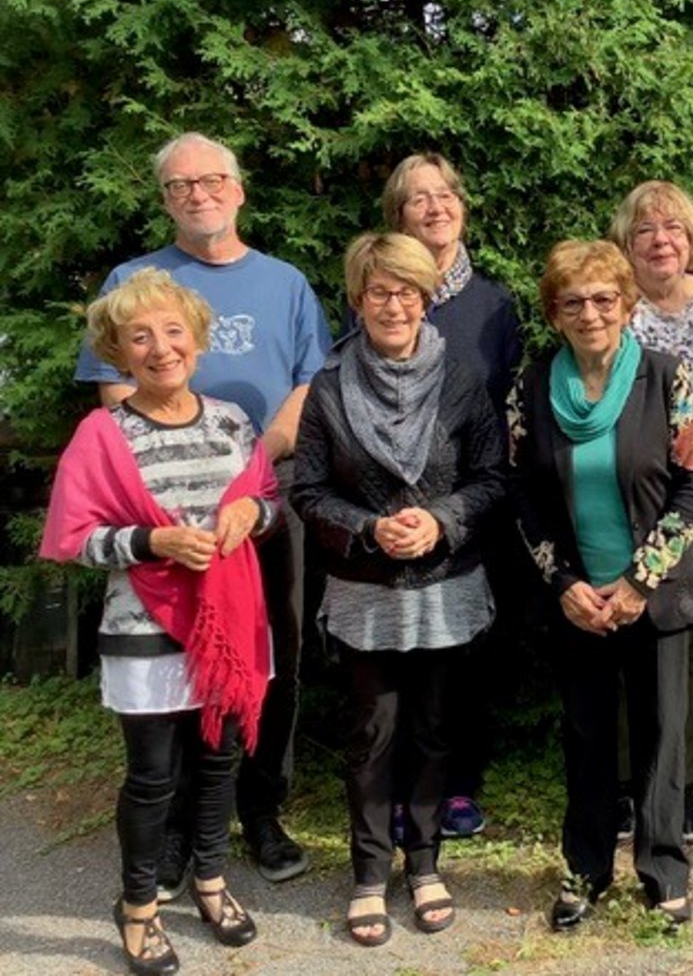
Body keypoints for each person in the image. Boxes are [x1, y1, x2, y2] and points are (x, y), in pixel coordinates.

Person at [74, 132, 332, 886]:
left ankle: (260, 810)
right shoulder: (136, 277)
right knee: (179, 672)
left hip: (259, 511)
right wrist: (171, 516)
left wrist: (254, 473)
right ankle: (183, 823)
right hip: (168, 525)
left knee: (267, 661)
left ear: (239, 189)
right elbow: (117, 396)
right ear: (165, 199)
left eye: (213, 179)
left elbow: (309, 382)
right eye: (181, 184)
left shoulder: (284, 283)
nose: (199, 193)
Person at [42, 268, 276, 976]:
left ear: (198, 341)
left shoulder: (234, 421)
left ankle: (209, 881)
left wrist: (253, 513)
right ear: (118, 351)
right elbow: (73, 539)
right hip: (142, 630)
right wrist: (153, 542)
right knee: (151, 779)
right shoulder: (100, 433)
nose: (161, 347)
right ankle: (139, 908)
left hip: (230, 627)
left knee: (218, 763)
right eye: (139, 336)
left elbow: (268, 501)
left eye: (174, 331)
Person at [292, 232, 504, 944]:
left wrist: (440, 521)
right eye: (378, 291)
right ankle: (367, 871)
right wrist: (367, 528)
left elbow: (492, 479)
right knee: (372, 735)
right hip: (365, 592)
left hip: (447, 584)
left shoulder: (463, 382)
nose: (393, 304)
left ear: (426, 298)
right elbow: (308, 490)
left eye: (406, 291)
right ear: (358, 300)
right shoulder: (327, 387)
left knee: (436, 729)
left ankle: (425, 864)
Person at [508, 240, 693, 931]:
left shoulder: (666, 377)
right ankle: (586, 869)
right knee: (587, 734)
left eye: (604, 299)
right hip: (577, 599)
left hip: (651, 595)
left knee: (662, 735)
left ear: (628, 306)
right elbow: (523, 497)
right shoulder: (533, 386)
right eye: (574, 302)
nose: (591, 313)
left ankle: (664, 872)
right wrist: (565, 582)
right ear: (555, 313)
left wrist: (637, 583)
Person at [382, 152, 523, 837]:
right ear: (398, 216)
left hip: (473, 505)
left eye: (445, 195)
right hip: (395, 508)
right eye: (418, 199)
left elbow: (510, 407)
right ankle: (405, 788)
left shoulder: (495, 306)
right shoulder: (382, 294)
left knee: (468, 649)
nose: (435, 208)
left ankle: (462, 785)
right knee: (402, 653)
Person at [608, 180, 693, 839]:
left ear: (692, 239)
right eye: (644, 231)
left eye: (672, 229)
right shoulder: (618, 311)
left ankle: (680, 790)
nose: (661, 240)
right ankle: (633, 789)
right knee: (634, 651)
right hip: (636, 513)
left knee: (689, 653)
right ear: (626, 246)